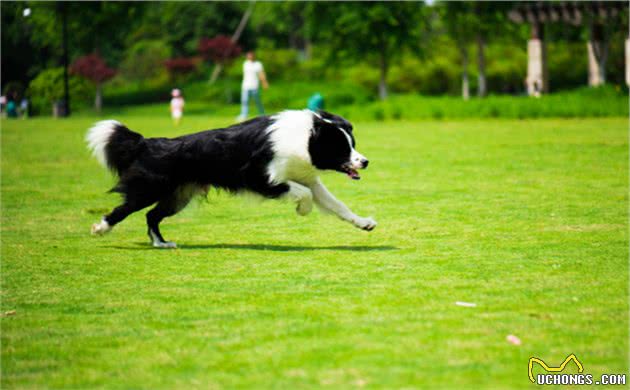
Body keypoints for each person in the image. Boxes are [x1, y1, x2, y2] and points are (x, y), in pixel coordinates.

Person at [237, 51, 269, 121]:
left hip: (254, 86)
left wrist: (264, 82)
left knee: (257, 101)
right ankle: (244, 115)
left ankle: (262, 114)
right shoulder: (245, 64)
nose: (249, 57)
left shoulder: (258, 64)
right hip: (245, 86)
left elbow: (261, 74)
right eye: (248, 56)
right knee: (245, 101)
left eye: (251, 56)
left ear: (253, 56)